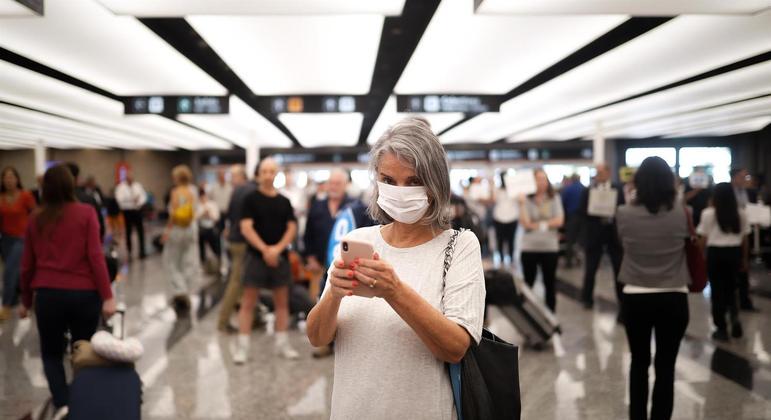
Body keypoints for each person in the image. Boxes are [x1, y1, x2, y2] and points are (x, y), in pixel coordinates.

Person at [306, 117, 485, 419]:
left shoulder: (459, 247)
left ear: (435, 184)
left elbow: (455, 348)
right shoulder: (357, 240)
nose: (400, 191)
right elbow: (317, 337)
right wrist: (333, 296)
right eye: (388, 180)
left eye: (413, 181)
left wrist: (395, 291)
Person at [19, 165, 116, 419]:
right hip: (85, 295)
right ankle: (82, 399)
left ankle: (63, 403)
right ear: (71, 186)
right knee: (82, 351)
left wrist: (25, 301)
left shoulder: (35, 218)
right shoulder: (86, 213)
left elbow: (27, 264)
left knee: (51, 353)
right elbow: (96, 257)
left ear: (44, 188)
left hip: (49, 295)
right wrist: (107, 295)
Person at [616, 156, 689, 420]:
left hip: (637, 295)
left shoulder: (624, 213)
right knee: (666, 366)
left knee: (639, 362)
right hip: (674, 295)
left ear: (638, 182)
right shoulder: (683, 212)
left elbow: (623, 242)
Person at [232, 157, 299, 363]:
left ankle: (282, 344)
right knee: (248, 303)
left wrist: (277, 250)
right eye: (265, 171)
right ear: (259, 174)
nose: (269, 175)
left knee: (282, 303)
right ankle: (242, 347)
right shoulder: (250, 199)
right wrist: (265, 250)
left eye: (272, 171)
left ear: (276, 174)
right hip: (255, 257)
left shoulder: (284, 201)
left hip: (280, 258)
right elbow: (246, 227)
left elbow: (292, 228)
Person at [697, 183, 750, 341]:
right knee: (732, 289)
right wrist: (744, 259)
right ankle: (734, 318)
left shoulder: (708, 213)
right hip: (734, 253)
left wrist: (700, 256)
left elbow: (703, 239)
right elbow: (745, 240)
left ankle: (721, 328)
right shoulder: (741, 214)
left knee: (717, 291)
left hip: (716, 255)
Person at [579, 163, 625, 313]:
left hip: (613, 234)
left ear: (608, 172)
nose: (599, 175)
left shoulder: (617, 189)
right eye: (597, 172)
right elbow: (582, 211)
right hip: (595, 233)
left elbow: (623, 208)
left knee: (618, 269)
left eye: (601, 172)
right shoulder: (588, 190)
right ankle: (586, 298)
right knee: (591, 268)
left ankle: (622, 301)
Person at [518, 169, 564, 312]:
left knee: (549, 283)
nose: (541, 182)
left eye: (544, 179)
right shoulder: (525, 199)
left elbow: (559, 221)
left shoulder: (554, 198)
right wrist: (521, 204)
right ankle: (529, 314)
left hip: (550, 247)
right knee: (528, 284)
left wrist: (537, 225)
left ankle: (551, 315)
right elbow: (525, 223)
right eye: (538, 179)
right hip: (529, 248)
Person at [217, 165, 253, 333]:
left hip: (234, 239)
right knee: (236, 281)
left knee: (241, 280)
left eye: (233, 175)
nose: (231, 178)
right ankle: (223, 322)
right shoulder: (250, 191)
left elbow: (229, 215)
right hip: (243, 240)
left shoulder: (236, 191)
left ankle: (246, 315)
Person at [161, 165, 199, 314]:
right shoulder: (193, 191)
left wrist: (166, 231)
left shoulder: (176, 192)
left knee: (172, 261)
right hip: (190, 230)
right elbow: (194, 211)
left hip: (177, 230)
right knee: (188, 261)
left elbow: (173, 213)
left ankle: (180, 290)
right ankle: (185, 289)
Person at [0, 167, 36, 321]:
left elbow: (35, 215)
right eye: (6, 178)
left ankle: (6, 305)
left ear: (17, 179)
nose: (9, 180)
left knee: (9, 271)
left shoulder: (25, 196)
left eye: (11, 177)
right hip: (5, 240)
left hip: (22, 239)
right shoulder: (0, 197)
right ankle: (22, 302)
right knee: (17, 272)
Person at [304, 170, 353, 274]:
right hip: (319, 266)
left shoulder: (355, 207)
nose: (333, 187)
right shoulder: (317, 206)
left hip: (347, 267)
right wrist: (311, 259)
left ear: (346, 185)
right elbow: (308, 235)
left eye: (338, 183)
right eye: (331, 183)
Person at [730, 167, 757, 311]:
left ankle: (745, 300)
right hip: (732, 233)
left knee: (744, 267)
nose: (745, 180)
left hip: (746, 232)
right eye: (742, 177)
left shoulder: (749, 192)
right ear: (734, 177)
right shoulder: (726, 192)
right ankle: (732, 301)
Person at [65, 163, 105, 242]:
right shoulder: (88, 201)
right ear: (77, 178)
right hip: (84, 247)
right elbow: (99, 228)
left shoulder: (49, 204)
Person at [115, 170, 147, 260]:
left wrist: (139, 201)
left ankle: (142, 251)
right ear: (126, 179)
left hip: (137, 210)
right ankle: (129, 251)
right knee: (128, 231)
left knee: (140, 231)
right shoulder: (121, 187)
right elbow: (120, 199)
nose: (130, 180)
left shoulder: (138, 186)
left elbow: (143, 197)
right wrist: (131, 199)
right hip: (127, 211)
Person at [492, 173, 519, 267]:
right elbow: (493, 199)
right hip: (499, 218)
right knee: (500, 240)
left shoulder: (514, 189)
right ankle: (502, 259)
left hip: (512, 218)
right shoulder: (497, 190)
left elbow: (519, 199)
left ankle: (511, 258)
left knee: (511, 240)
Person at [560, 174, 585, 268]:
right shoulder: (584, 189)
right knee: (580, 240)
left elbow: (563, 203)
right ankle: (579, 259)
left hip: (572, 217)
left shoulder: (568, 189)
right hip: (583, 218)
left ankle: (569, 261)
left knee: (570, 240)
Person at [197, 187, 221, 264]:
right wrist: (202, 214)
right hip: (201, 228)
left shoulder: (212, 204)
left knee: (215, 247)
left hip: (211, 228)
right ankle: (203, 261)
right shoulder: (197, 205)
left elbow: (216, 218)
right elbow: (194, 218)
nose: (203, 198)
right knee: (201, 247)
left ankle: (217, 261)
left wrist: (209, 214)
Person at [208, 168, 232, 234]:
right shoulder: (213, 187)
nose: (222, 176)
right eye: (220, 175)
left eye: (223, 175)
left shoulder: (230, 187)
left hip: (227, 213)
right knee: (217, 233)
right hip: (217, 214)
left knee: (228, 233)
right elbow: (209, 200)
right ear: (217, 176)